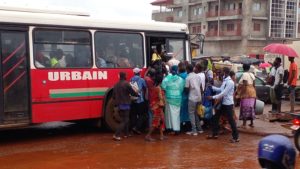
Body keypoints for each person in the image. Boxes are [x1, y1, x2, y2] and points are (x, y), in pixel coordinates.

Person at [207, 67, 239, 143]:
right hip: (223, 103)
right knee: (215, 117)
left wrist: (213, 97)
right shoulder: (225, 81)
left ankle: (236, 137)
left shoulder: (230, 82)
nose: (219, 74)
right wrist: (212, 87)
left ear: (225, 72)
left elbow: (224, 93)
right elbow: (221, 90)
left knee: (231, 120)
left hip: (228, 104)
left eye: (221, 72)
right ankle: (215, 134)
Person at [112, 72, 138, 141]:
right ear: (125, 76)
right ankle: (116, 135)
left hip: (119, 105)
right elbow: (132, 92)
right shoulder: (126, 84)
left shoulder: (116, 85)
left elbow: (113, 96)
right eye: (126, 75)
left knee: (125, 119)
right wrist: (137, 95)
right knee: (125, 120)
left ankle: (126, 134)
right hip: (125, 104)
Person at [161, 65, 185, 135]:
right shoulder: (180, 79)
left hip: (169, 98)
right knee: (176, 114)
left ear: (171, 70)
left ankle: (170, 128)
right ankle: (176, 129)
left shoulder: (167, 78)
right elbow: (181, 88)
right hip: (178, 98)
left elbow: (163, 87)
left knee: (168, 114)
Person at [145, 77, 166, 142]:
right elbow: (160, 98)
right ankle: (148, 135)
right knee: (156, 122)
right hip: (158, 107)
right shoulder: (159, 88)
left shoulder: (154, 87)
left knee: (161, 121)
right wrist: (163, 100)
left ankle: (161, 135)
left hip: (155, 106)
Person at [185, 63, 203, 136]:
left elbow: (186, 89)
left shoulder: (188, 78)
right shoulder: (198, 76)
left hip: (192, 98)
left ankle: (194, 130)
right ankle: (199, 129)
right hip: (199, 97)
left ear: (187, 70)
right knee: (195, 113)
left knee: (191, 113)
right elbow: (201, 88)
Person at [237, 64, 256, 128]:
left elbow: (245, 84)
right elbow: (254, 84)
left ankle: (244, 124)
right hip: (252, 91)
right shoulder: (252, 74)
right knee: (251, 107)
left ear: (243, 68)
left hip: (246, 92)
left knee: (245, 107)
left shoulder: (244, 74)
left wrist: (241, 93)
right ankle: (251, 123)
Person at [130, 68, 147, 134]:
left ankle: (132, 128)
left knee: (133, 115)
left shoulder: (131, 79)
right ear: (139, 73)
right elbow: (145, 87)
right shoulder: (141, 79)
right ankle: (137, 128)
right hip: (140, 99)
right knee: (141, 115)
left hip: (133, 99)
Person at [178, 62, 190, 130]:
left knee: (181, 111)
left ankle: (181, 126)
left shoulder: (179, 76)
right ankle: (188, 126)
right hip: (187, 95)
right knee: (187, 111)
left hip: (181, 95)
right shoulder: (187, 75)